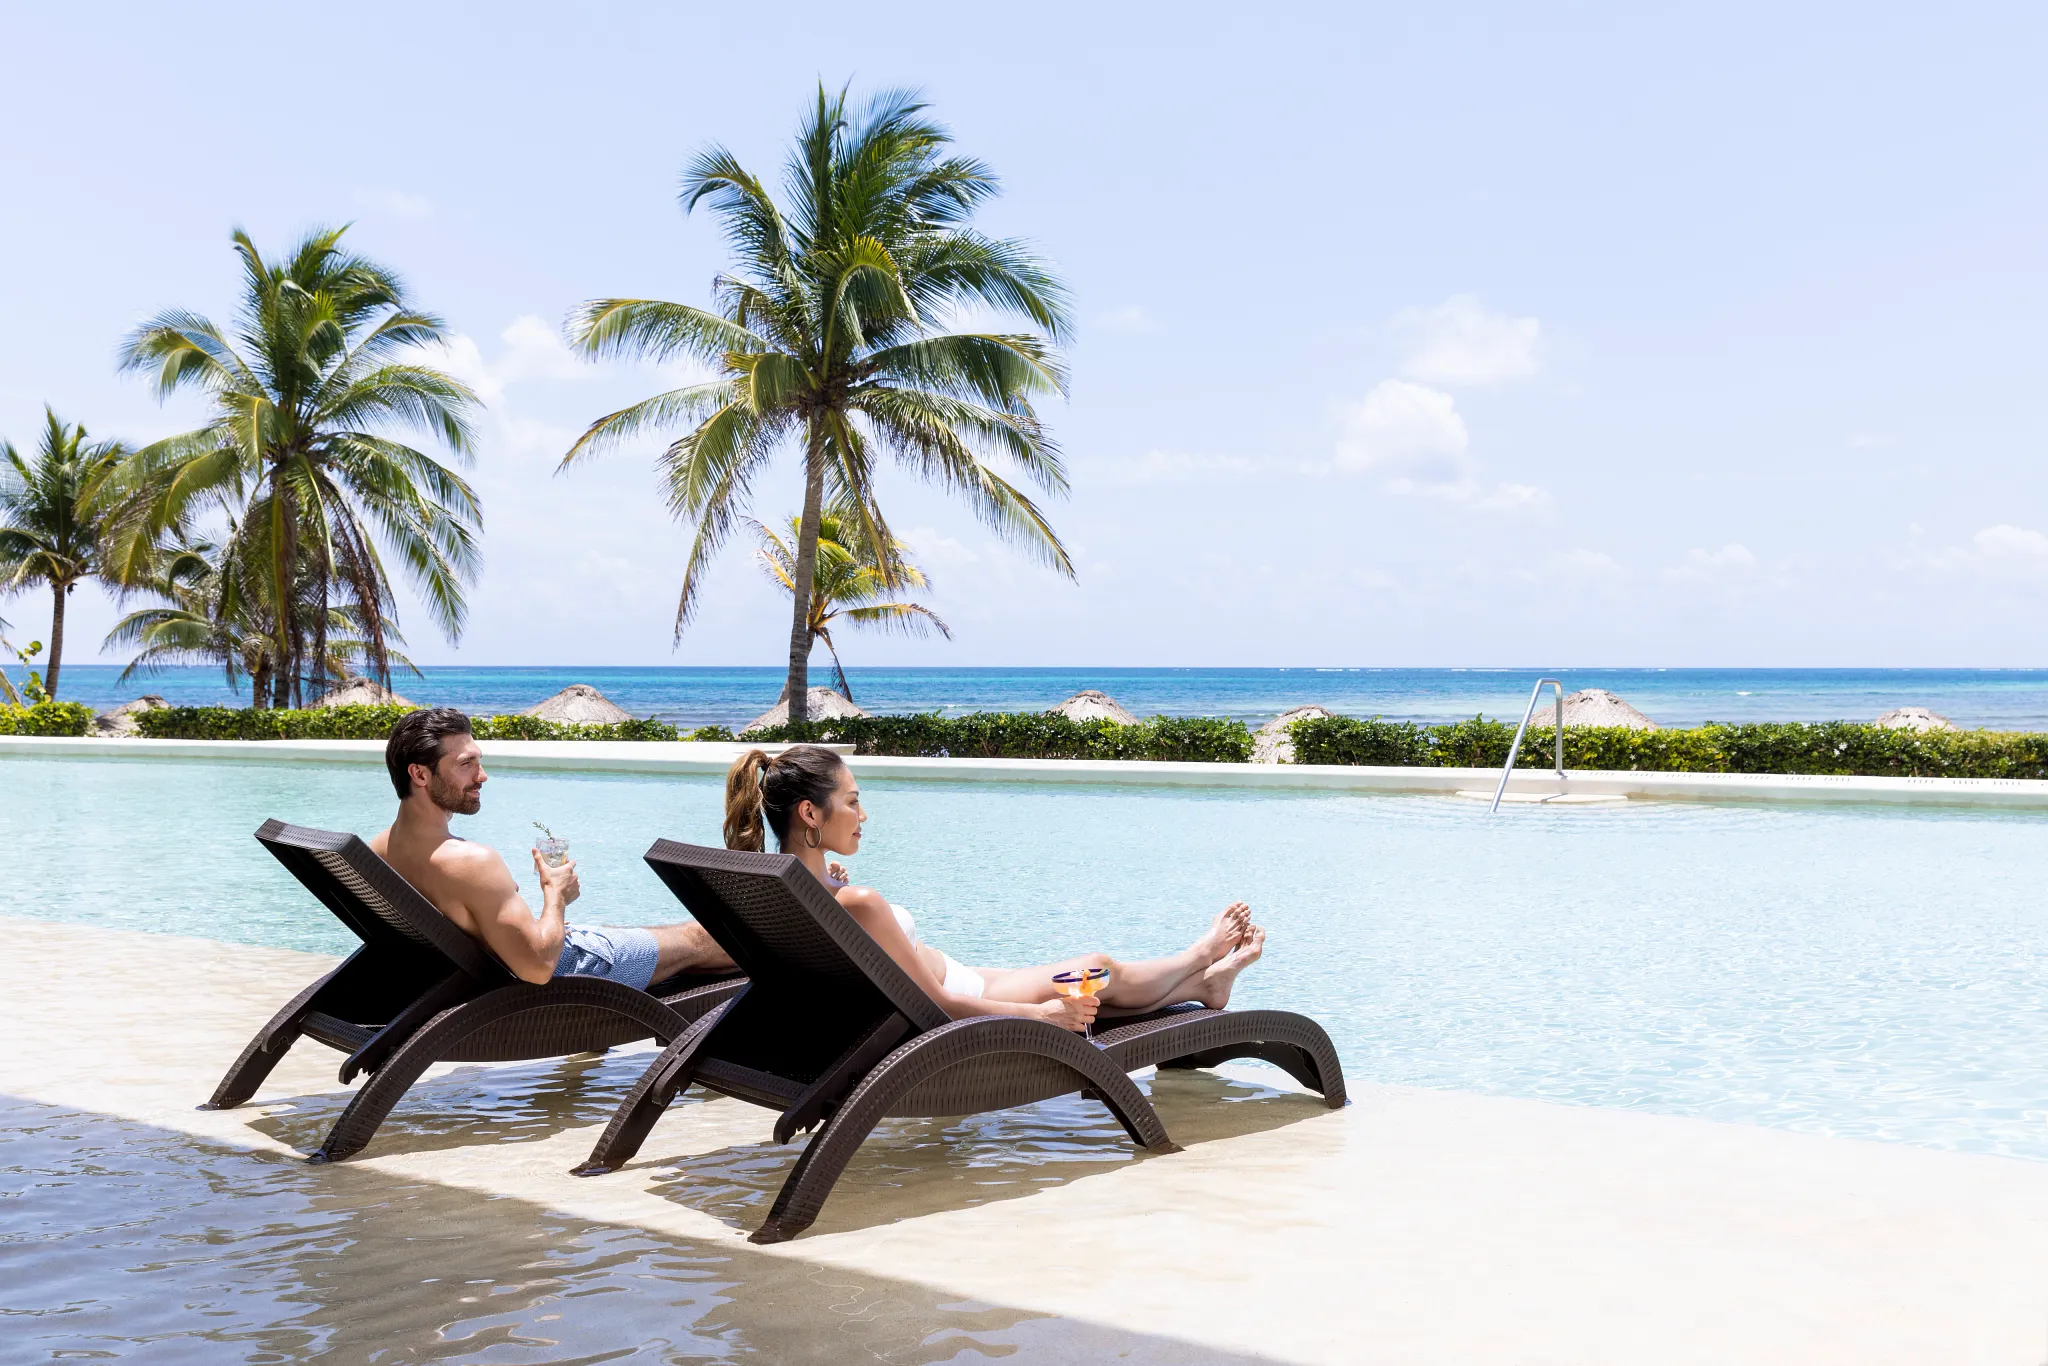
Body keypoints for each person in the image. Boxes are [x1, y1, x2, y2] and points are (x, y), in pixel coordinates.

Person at [722, 745, 1264, 1033]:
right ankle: (1198, 963)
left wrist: (826, 880)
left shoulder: (778, 887)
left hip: (961, 980)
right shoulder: (855, 901)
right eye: (853, 801)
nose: (864, 814)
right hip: (963, 1001)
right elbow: (934, 1006)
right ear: (811, 812)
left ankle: (1201, 986)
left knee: (1091, 985)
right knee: (1096, 972)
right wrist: (1041, 1018)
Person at [371, 707, 734, 988]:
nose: (482, 776)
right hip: (567, 970)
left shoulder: (381, 849)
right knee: (704, 938)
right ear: (420, 775)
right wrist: (555, 895)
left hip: (479, 975)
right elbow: (539, 968)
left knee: (670, 937)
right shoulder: (470, 862)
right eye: (467, 764)